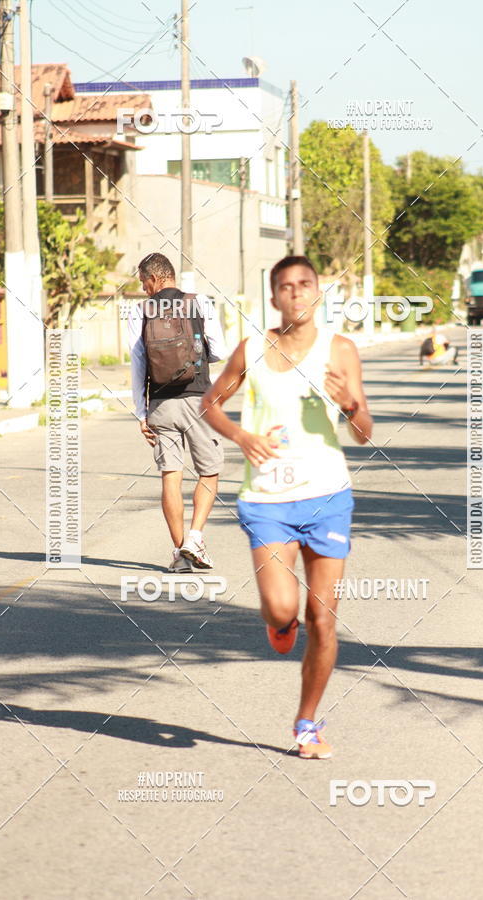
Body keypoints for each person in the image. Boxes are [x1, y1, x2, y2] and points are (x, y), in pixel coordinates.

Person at [201, 255, 373, 759]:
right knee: (281, 608)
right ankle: (280, 624)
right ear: (273, 298)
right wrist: (241, 435)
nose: (296, 293)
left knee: (324, 617)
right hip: (267, 500)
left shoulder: (340, 351)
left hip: (328, 497)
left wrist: (350, 407)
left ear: (317, 293)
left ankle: (306, 724)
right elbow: (210, 403)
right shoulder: (251, 350)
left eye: (304, 285)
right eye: (285, 287)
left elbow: (364, 435)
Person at [128, 252, 226, 572]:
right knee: (209, 472)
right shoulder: (200, 303)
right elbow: (220, 350)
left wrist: (141, 414)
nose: (144, 289)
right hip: (199, 401)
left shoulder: (141, 311)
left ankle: (179, 553)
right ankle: (194, 538)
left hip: (160, 405)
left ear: (155, 279)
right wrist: (193, 362)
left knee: (171, 475)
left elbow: (138, 364)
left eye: (144, 282)